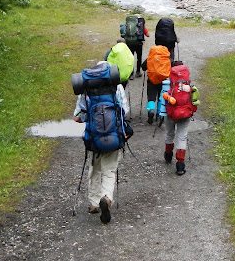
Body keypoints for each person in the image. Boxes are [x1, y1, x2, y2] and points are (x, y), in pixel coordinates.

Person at [72, 61, 130, 224]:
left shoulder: (87, 89)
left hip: (94, 139)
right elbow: (125, 112)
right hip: (113, 137)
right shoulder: (116, 86)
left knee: (95, 170)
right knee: (109, 171)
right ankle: (107, 198)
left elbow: (77, 117)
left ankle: (93, 204)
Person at [141, 44, 171, 125]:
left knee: (151, 98)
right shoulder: (166, 59)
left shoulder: (150, 58)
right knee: (161, 98)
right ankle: (159, 114)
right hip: (163, 81)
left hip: (151, 81)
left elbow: (143, 67)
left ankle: (150, 111)